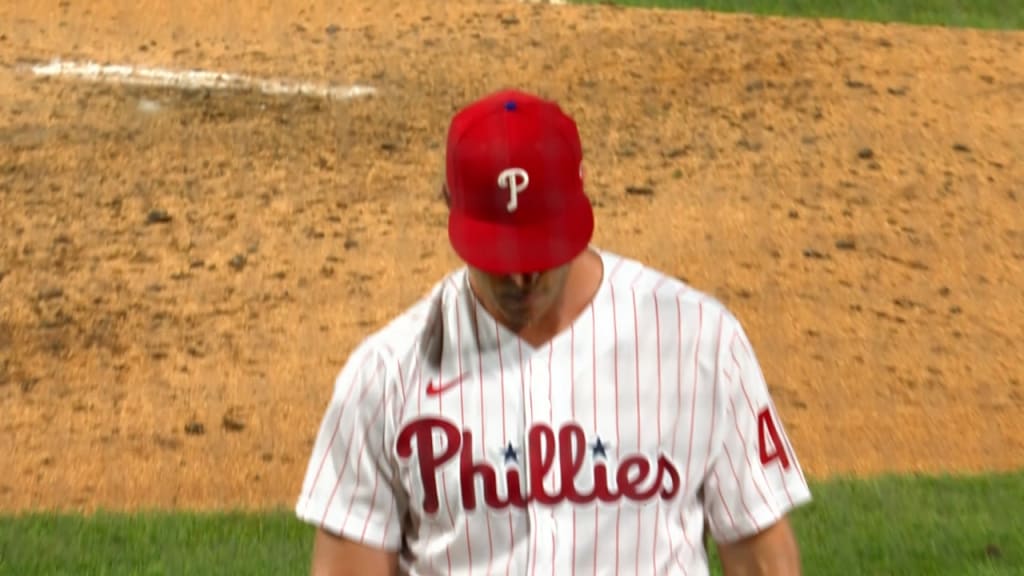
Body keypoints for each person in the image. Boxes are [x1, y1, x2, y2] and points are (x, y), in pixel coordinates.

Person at [294, 88, 812, 575]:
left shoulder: (698, 340)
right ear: (449, 205)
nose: (521, 277)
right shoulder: (385, 375)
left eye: (540, 250)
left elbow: (762, 560)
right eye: (499, 255)